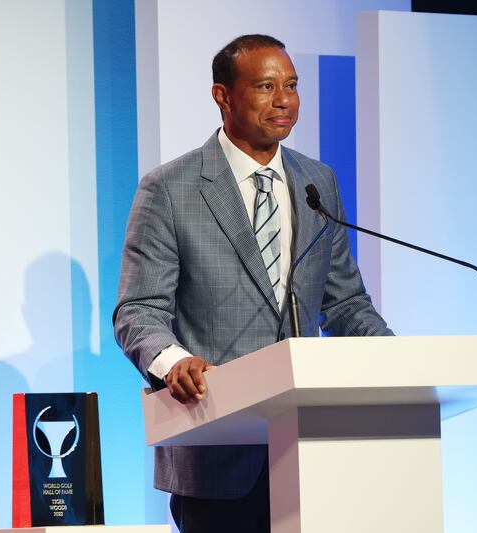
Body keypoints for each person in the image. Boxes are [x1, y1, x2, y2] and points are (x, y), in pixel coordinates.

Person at [114, 34, 392, 533]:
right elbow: (139, 311)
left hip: (313, 451)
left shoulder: (317, 182)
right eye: (266, 86)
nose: (284, 100)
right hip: (215, 449)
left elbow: (346, 301)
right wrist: (175, 363)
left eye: (291, 85)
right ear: (222, 95)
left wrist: (397, 360)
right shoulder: (170, 188)